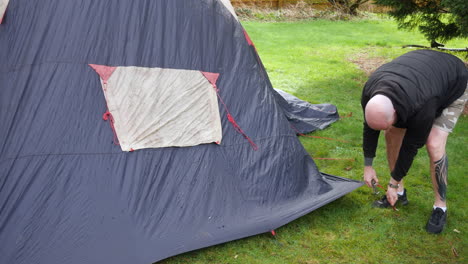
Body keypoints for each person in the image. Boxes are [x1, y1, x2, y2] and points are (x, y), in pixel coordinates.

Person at [361, 49, 467, 234]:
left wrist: (391, 182)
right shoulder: (371, 92)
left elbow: (410, 147)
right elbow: (370, 127)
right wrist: (368, 166)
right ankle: (399, 192)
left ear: (395, 112)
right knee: (391, 134)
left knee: (434, 144)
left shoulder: (422, 107)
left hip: (454, 80)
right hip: (421, 74)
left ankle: (440, 207)